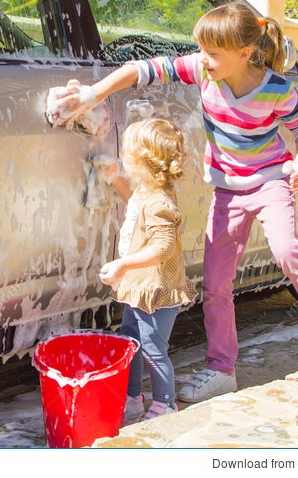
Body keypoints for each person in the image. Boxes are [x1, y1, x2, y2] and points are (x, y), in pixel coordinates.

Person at [53, 2, 298, 406]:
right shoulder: (201, 70)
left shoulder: (276, 88)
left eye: (213, 53)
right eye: (201, 50)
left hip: (270, 181)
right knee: (216, 283)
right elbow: (141, 71)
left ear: (245, 53)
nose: (203, 60)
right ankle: (221, 370)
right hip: (226, 189)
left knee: (287, 250)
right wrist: (93, 92)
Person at [96, 118, 197, 424]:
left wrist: (123, 264)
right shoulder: (147, 191)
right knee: (130, 342)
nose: (124, 158)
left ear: (142, 162)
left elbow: (163, 247)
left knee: (153, 348)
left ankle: (165, 403)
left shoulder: (160, 201)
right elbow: (133, 202)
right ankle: (132, 397)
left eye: (127, 155)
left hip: (157, 290)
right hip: (139, 286)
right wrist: (115, 179)